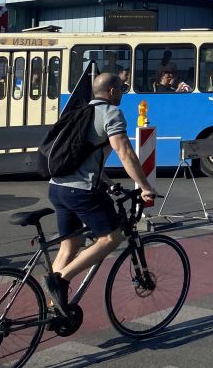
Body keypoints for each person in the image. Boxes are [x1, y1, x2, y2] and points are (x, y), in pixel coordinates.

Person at [45, 73, 155, 313]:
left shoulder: (78, 111)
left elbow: (81, 156)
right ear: (113, 91)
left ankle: (54, 308)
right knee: (111, 238)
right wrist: (145, 186)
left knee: (69, 246)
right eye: (122, 90)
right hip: (81, 191)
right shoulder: (111, 113)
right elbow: (124, 152)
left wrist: (106, 180)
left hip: (57, 187)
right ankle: (61, 279)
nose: (123, 95)